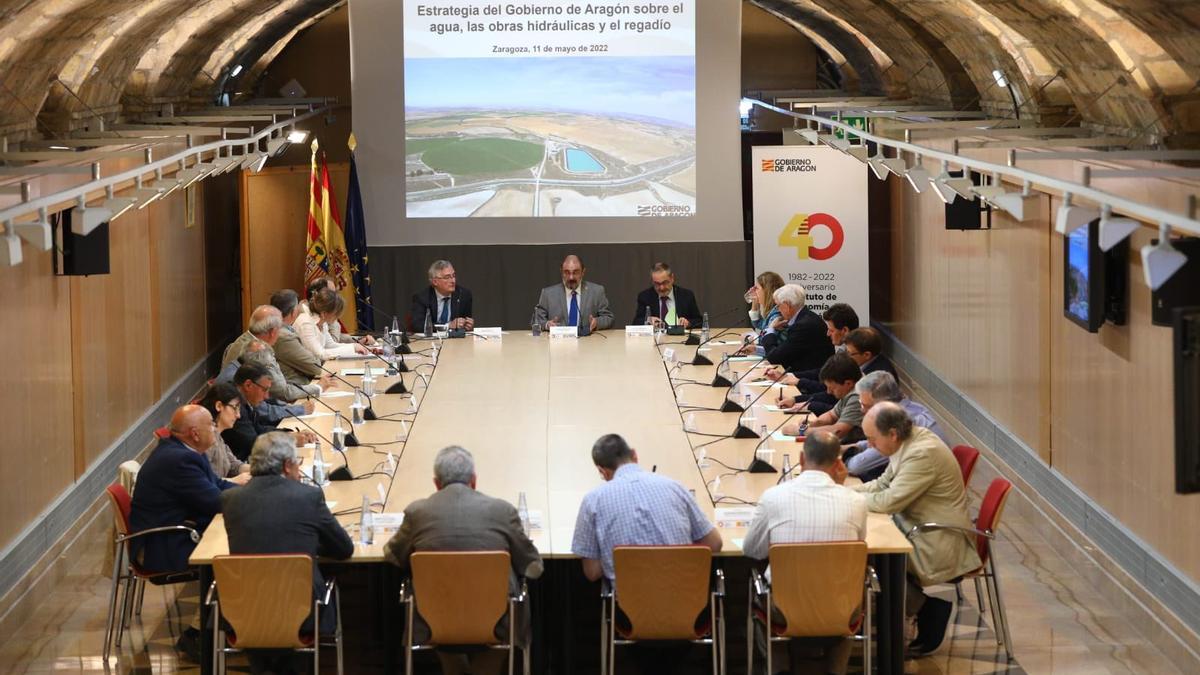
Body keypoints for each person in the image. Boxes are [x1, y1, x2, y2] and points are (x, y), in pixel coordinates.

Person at [385, 446, 542, 675]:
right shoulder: (502, 511)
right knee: (510, 602)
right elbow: (534, 568)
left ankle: (456, 669)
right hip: (497, 620)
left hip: (434, 619)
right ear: (474, 480)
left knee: (439, 611)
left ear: (436, 483)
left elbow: (392, 556)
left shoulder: (417, 513)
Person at [221, 432, 355, 674]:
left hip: (244, 612)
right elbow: (343, 549)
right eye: (297, 464)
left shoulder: (230, 499)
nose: (299, 470)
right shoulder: (308, 496)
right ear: (286, 466)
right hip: (303, 613)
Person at [855, 403, 981, 655]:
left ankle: (926, 610)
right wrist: (843, 491)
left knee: (870, 557)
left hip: (936, 538)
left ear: (892, 433)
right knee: (868, 551)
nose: (869, 445)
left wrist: (845, 500)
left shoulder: (921, 453)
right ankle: (911, 610)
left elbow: (890, 501)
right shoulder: (907, 442)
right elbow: (882, 485)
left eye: (872, 439)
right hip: (913, 527)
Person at [743, 430, 866, 675]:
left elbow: (752, 551)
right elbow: (856, 547)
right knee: (849, 593)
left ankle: (779, 668)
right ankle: (836, 670)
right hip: (841, 606)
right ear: (838, 463)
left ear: (801, 459)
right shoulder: (856, 501)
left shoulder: (773, 497)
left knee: (760, 590)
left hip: (784, 608)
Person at [129, 405, 240, 660]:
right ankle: (197, 635)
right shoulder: (180, 460)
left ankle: (227, 622)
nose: (214, 428)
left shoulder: (185, 451)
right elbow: (215, 502)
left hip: (176, 532)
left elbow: (217, 485)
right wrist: (257, 498)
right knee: (231, 556)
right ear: (194, 433)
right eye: (210, 425)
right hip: (163, 543)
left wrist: (253, 489)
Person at [572, 433, 722, 583]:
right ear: (634, 455)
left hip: (630, 602)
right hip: (685, 598)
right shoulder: (674, 487)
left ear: (602, 471)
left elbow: (592, 572)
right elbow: (715, 544)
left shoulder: (593, 500)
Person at [844, 372, 949, 481]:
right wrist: (856, 446)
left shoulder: (899, 423)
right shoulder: (913, 408)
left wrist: (841, 460)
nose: (862, 410)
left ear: (882, 405)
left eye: (866, 406)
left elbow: (856, 467)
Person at [765, 303, 859, 414]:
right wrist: (789, 380)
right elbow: (824, 379)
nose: (828, 334)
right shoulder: (844, 351)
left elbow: (831, 394)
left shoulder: (854, 357)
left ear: (844, 330)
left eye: (831, 330)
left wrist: (805, 399)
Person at [222, 305, 323, 403]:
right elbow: (283, 393)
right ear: (273, 332)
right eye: (280, 328)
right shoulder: (259, 351)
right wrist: (318, 387)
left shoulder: (241, 341)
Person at [222, 362, 316, 461]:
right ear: (248, 385)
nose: (266, 396)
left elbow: (259, 429)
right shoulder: (232, 405)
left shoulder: (242, 398)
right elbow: (252, 443)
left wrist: (289, 434)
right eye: (264, 390)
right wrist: (288, 440)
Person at [782, 353, 864, 441]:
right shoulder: (849, 390)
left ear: (848, 383)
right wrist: (814, 423)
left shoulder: (857, 396)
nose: (828, 392)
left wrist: (801, 431)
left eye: (832, 388)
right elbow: (831, 415)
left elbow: (838, 431)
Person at [754, 285, 833, 373]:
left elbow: (775, 358)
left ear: (786, 306)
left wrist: (770, 330)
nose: (778, 310)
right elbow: (784, 351)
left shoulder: (803, 326)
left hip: (811, 379)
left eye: (778, 306)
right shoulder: (805, 318)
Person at [534, 255, 614, 333]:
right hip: (558, 343)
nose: (571, 277)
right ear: (561, 272)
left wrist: (596, 322)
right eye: (567, 272)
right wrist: (547, 325)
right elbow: (536, 320)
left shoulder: (596, 291)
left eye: (575, 272)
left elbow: (609, 318)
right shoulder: (548, 294)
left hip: (587, 343)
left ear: (583, 272)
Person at [269, 289, 327, 389]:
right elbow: (315, 367)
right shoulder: (283, 336)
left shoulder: (282, 329)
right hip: (295, 389)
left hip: (301, 385)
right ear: (293, 312)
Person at [197, 383, 252, 483]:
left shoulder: (217, 435)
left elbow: (234, 465)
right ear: (219, 406)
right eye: (235, 407)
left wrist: (264, 470)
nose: (238, 415)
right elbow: (201, 481)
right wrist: (234, 481)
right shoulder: (205, 438)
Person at [295, 288, 367, 360]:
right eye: (336, 313)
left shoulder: (322, 322)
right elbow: (320, 354)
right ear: (324, 313)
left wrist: (355, 346)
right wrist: (352, 349)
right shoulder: (305, 323)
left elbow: (331, 345)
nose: (338, 317)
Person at [304, 276, 373, 346]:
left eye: (335, 293)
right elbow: (331, 343)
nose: (335, 297)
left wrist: (359, 340)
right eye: (331, 293)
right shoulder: (307, 315)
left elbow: (335, 338)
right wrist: (333, 315)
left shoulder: (321, 316)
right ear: (319, 295)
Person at [631, 262, 703, 328]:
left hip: (679, 338)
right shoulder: (645, 296)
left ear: (672, 278)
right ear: (652, 281)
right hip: (655, 339)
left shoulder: (686, 295)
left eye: (665, 282)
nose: (661, 288)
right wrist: (648, 320)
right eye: (657, 284)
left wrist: (688, 323)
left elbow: (699, 321)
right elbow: (636, 322)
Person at [411, 260, 475, 333]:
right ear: (435, 282)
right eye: (447, 277)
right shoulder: (422, 297)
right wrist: (447, 326)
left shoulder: (463, 295)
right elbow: (418, 325)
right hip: (431, 341)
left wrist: (467, 325)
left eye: (453, 276)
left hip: (455, 341)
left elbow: (464, 327)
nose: (453, 280)